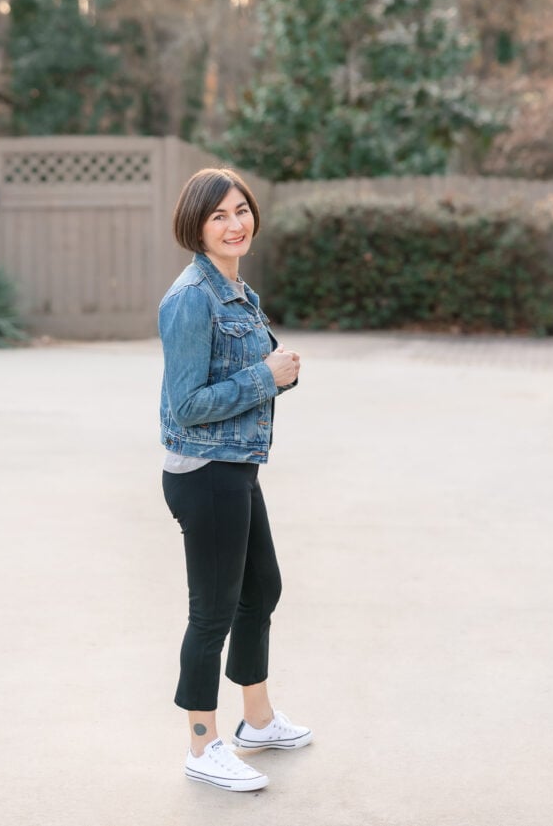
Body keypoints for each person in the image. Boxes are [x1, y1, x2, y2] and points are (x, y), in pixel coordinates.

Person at [159, 167, 312, 792]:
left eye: (241, 210)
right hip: (205, 472)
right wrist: (265, 378)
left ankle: (258, 720)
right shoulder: (191, 298)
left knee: (261, 589)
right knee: (212, 612)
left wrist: (278, 371)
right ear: (195, 226)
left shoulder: (235, 289)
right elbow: (187, 405)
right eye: (218, 215)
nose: (234, 224)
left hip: (235, 465)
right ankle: (202, 745)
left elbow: (244, 372)